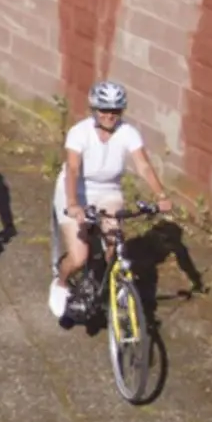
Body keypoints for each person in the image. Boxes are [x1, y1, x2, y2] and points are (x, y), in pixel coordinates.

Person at [49, 81, 172, 320]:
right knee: (79, 256)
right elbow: (73, 170)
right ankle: (61, 281)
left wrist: (161, 195)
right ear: (94, 109)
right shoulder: (79, 132)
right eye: (104, 110)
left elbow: (144, 165)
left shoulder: (128, 133)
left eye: (115, 111)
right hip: (77, 190)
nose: (109, 116)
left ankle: (112, 285)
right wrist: (74, 203)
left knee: (116, 247)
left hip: (108, 191)